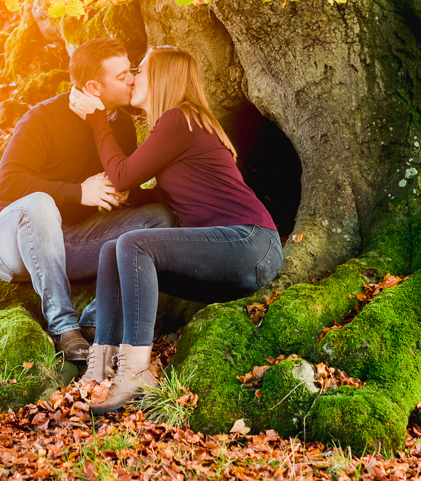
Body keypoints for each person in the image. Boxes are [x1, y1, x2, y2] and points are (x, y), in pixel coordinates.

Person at [70, 45, 283, 412]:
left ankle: (136, 370)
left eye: (141, 70)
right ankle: (101, 367)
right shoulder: (179, 126)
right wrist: (118, 196)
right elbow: (152, 192)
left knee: (134, 245)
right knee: (113, 250)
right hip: (229, 251)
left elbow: (122, 173)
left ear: (162, 78)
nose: (133, 77)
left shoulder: (180, 119)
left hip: (250, 242)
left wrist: (97, 120)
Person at [0, 38, 175, 362]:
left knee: (157, 218)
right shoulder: (43, 118)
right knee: (41, 203)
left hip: (66, 243)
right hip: (7, 244)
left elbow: (115, 182)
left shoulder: (121, 124)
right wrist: (79, 191)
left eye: (132, 71)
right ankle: (63, 326)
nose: (132, 79)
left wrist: (124, 194)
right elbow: (7, 184)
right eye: (122, 75)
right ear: (94, 87)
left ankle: (95, 321)